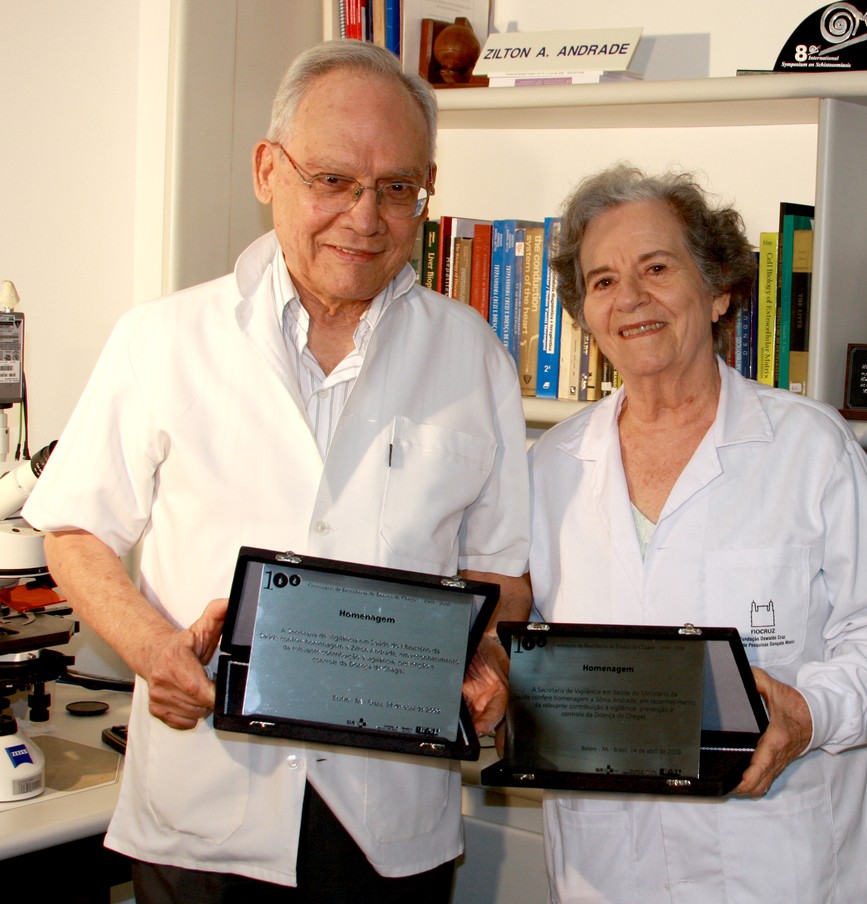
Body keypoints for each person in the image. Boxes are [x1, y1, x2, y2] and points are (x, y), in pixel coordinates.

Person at [24, 40, 530, 903]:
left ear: (426, 193)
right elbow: (74, 530)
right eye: (333, 179)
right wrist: (154, 653)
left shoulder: (473, 354)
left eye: (398, 188)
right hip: (207, 812)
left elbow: (501, 576)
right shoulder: (163, 339)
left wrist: (485, 656)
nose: (365, 218)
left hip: (390, 822)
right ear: (268, 169)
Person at [526, 163, 867, 903]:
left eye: (657, 268)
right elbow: (527, 644)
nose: (632, 299)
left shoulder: (810, 447)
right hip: (610, 868)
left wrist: (808, 714)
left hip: (786, 862)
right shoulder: (548, 466)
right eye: (603, 281)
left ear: (718, 290)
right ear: (584, 313)